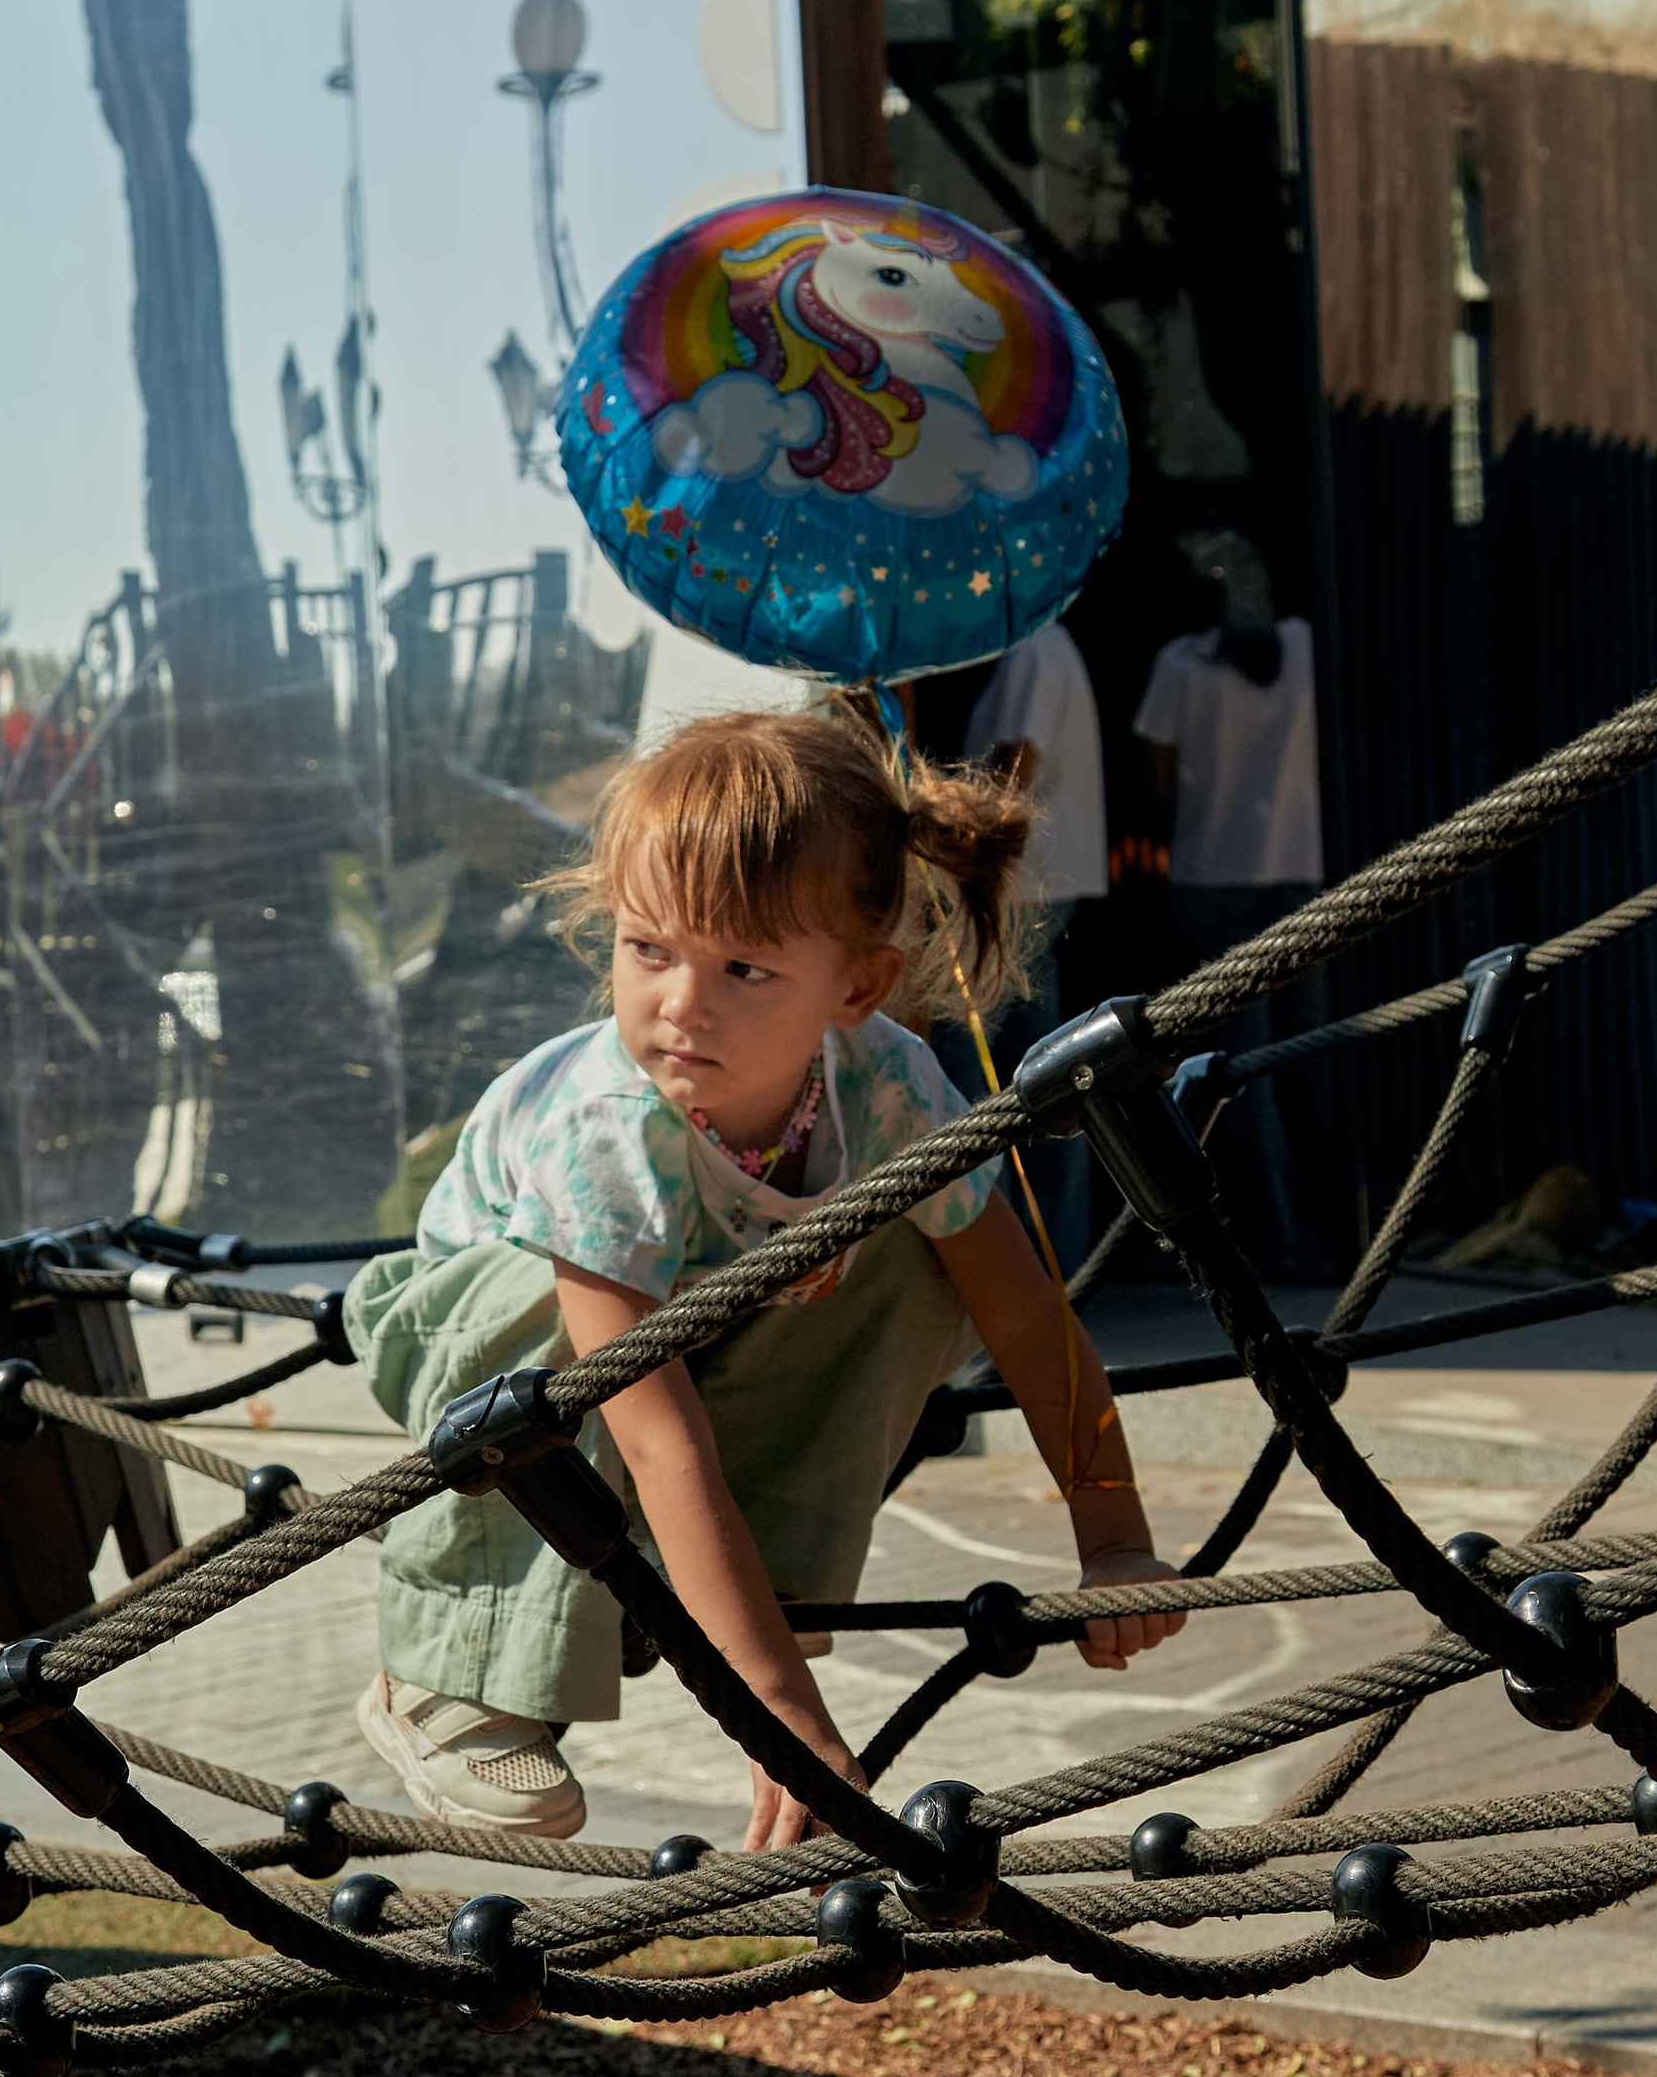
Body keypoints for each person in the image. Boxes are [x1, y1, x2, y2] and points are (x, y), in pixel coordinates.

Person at [342, 703, 1183, 1852]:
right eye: (650, 950)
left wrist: (1115, 1535)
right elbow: (656, 1437)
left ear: (854, 989)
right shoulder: (608, 1130)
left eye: (742, 967)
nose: (680, 1006)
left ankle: (763, 1586)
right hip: (478, 1341)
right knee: (563, 1322)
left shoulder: (887, 1086)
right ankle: (455, 1672)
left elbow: (1027, 1318)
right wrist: (777, 1717)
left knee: (922, 1258)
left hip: (704, 1319)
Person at [1132, 535, 1326, 1269]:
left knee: (1240, 1064)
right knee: (1312, 1047)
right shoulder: (1306, 646)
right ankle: (1332, 1219)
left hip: (1211, 873)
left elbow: (1157, 778)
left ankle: (1270, 1231)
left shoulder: (1180, 664)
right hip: (1297, 868)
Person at [955, 616, 1107, 1264]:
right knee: (1040, 1070)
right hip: (1034, 884)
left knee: (986, 1067)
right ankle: (1051, 1257)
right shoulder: (1045, 648)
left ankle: (1029, 1255)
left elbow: (1017, 763)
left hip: (1024, 888)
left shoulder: (1033, 650)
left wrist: (954, 837)